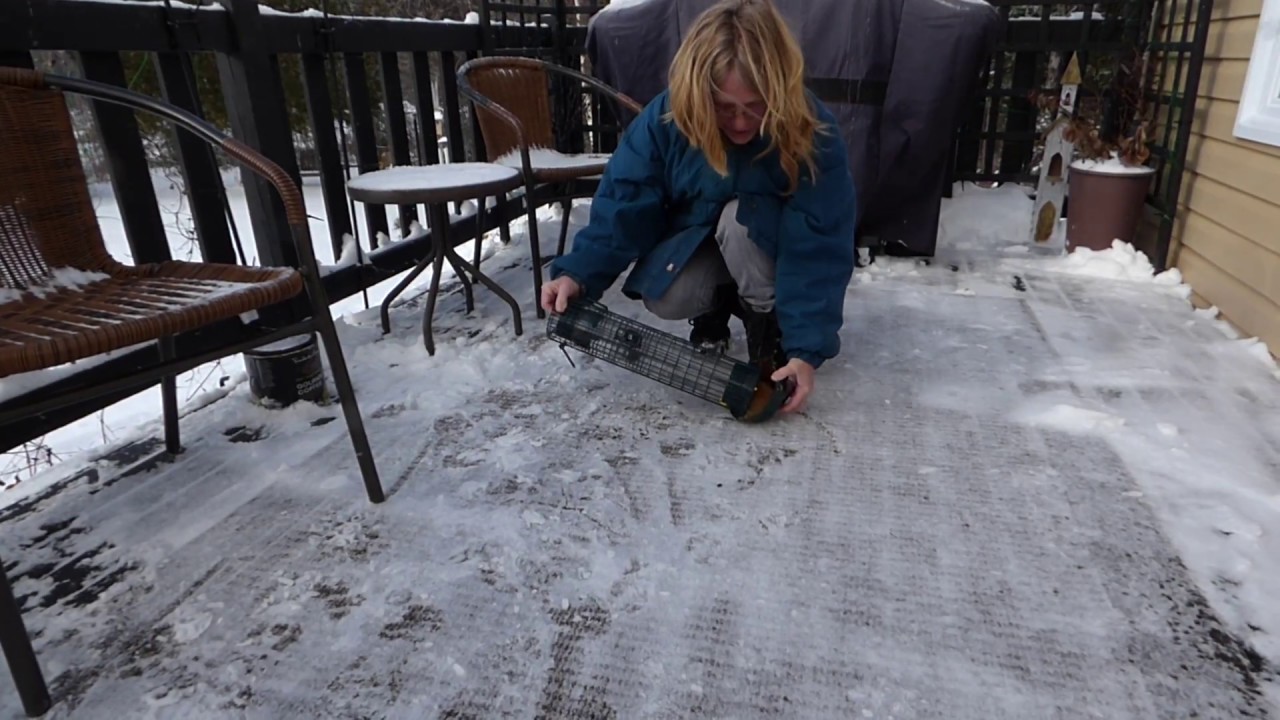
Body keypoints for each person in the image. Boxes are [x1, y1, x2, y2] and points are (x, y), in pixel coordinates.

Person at [540, 0, 857, 414]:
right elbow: (624, 204)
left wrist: (806, 349)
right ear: (698, 94)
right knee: (668, 296)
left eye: (755, 106)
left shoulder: (812, 130)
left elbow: (818, 241)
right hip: (700, 243)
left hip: (766, 250)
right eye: (724, 108)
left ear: (780, 91)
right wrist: (579, 274)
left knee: (739, 222)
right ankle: (716, 308)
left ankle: (770, 329)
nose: (740, 122)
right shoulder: (666, 121)